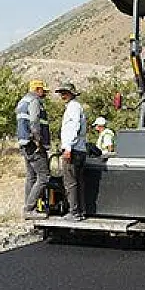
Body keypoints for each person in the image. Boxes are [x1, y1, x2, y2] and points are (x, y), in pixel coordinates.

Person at [16, 79, 51, 220]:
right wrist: (39, 142)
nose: (45, 93)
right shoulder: (34, 102)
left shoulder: (22, 102)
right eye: (43, 90)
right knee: (44, 176)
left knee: (31, 177)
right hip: (33, 145)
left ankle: (28, 208)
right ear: (37, 89)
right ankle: (29, 208)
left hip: (24, 145)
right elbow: (34, 122)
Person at [56, 82, 88, 221]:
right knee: (78, 181)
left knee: (70, 182)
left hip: (73, 149)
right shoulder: (75, 107)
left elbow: (74, 127)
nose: (63, 95)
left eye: (65, 92)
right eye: (62, 93)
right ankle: (80, 210)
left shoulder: (73, 107)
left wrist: (68, 148)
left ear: (72, 93)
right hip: (79, 149)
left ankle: (74, 212)